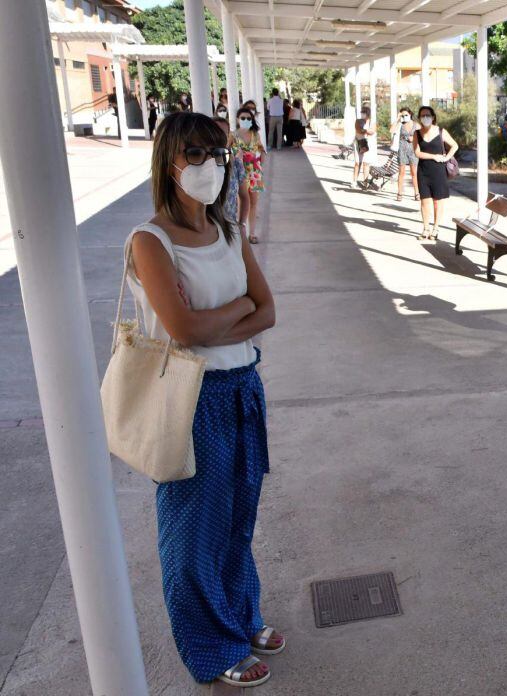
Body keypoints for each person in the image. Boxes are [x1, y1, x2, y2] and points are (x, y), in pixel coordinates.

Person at [126, 111, 279, 688]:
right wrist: (237, 311)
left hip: (243, 387)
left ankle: (243, 617)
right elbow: (185, 332)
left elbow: (269, 310)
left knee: (239, 519)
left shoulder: (230, 232)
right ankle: (211, 647)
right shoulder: (151, 240)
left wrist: (227, 317)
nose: (212, 167)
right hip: (190, 399)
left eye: (219, 155)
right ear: (170, 164)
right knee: (193, 531)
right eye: (197, 155)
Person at [413, 105, 458, 240]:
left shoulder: (441, 131)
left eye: (428, 115)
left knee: (437, 201)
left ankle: (436, 228)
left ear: (433, 117)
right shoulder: (417, 133)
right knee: (424, 201)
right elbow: (417, 153)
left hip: (439, 171)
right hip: (423, 171)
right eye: (422, 115)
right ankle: (426, 228)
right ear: (420, 118)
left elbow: (455, 145)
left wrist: (446, 158)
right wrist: (434, 156)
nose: (425, 118)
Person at [233, 107, 264, 244]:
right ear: (237, 119)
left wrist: (261, 160)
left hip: (254, 171)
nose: (246, 120)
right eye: (243, 118)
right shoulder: (232, 135)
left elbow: (262, 149)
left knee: (254, 202)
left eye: (248, 118)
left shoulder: (255, 134)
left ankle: (252, 233)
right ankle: (242, 231)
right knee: (242, 201)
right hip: (240, 170)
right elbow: (225, 151)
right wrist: (235, 155)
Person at [214, 116, 249, 240]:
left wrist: (242, 224)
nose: (219, 137)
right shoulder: (201, 163)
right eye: (214, 132)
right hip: (206, 233)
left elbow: (245, 197)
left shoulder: (236, 164)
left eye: (223, 133)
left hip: (230, 231)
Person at [393, 107, 419, 201]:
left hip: (413, 150)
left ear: (410, 114)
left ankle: (417, 193)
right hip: (402, 149)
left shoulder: (416, 125)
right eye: (403, 115)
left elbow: (423, 136)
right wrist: (398, 118)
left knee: (414, 173)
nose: (404, 117)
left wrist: (415, 139)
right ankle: (399, 193)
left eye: (406, 115)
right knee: (401, 173)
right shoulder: (400, 124)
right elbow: (391, 130)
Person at [352, 107, 377, 190]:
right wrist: (366, 130)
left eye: (364, 112)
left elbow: (372, 132)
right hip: (358, 143)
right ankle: (354, 181)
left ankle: (365, 183)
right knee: (357, 163)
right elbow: (359, 130)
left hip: (367, 145)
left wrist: (365, 130)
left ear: (368, 113)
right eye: (361, 112)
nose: (362, 113)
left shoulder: (372, 122)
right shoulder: (358, 121)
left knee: (366, 164)